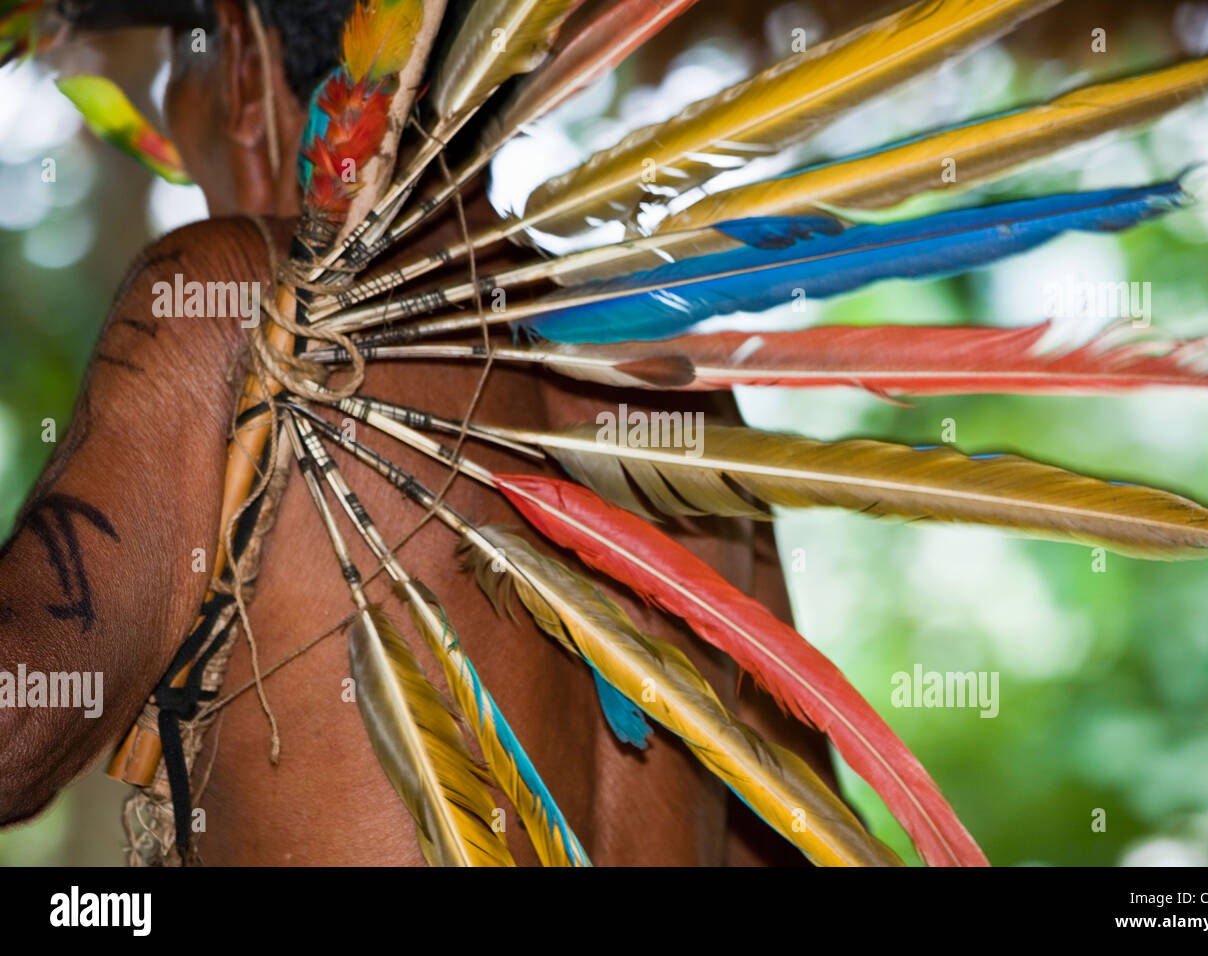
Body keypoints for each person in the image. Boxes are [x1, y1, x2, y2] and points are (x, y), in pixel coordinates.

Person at [0, 0, 845, 865]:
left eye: (187, 57)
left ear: (243, 53)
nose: (173, 135)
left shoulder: (225, 299)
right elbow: (792, 835)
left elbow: (17, 728)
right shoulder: (670, 386)